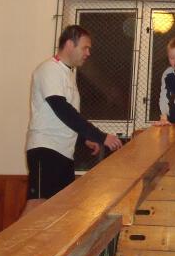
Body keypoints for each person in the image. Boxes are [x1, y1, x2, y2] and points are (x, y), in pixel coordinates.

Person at [24, 25, 123, 215]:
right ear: (70, 44)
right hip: (46, 149)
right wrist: (101, 136)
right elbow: (62, 109)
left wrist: (84, 139)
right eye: (85, 48)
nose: (88, 53)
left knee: (58, 211)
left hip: (64, 153)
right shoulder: (49, 69)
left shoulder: (67, 74)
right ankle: (15, 238)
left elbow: (65, 118)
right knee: (38, 204)